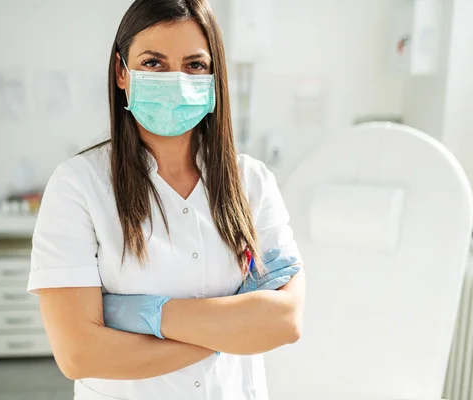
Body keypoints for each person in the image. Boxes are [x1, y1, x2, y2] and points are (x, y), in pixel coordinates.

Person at [28, 1, 305, 399]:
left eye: (194, 65)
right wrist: (235, 330)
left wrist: (146, 316)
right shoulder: (77, 186)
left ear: (214, 77)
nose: (175, 79)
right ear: (122, 73)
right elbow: (79, 354)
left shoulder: (253, 183)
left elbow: (286, 321)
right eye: (153, 63)